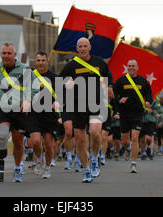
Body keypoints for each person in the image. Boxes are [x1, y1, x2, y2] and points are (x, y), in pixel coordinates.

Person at [59, 37, 114, 183]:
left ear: (90, 47)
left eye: (85, 46)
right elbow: (59, 82)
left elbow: (108, 75)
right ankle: (87, 170)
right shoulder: (71, 65)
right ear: (76, 49)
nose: (83, 48)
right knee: (80, 140)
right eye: (80, 46)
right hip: (78, 105)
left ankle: (95, 158)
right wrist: (65, 84)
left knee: (96, 132)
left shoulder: (99, 63)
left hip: (96, 103)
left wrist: (109, 87)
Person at [0, 42, 38, 183]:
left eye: (9, 53)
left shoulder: (25, 70)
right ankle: (2, 159)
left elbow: (35, 88)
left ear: (15, 55)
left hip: (19, 110)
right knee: (2, 135)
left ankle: (17, 167)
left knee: (18, 141)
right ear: (1, 54)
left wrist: (28, 101)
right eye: (4, 53)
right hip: (2, 108)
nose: (6, 56)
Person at [114, 59, 153, 173]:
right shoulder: (121, 81)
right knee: (125, 141)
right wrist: (119, 99)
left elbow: (149, 95)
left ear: (137, 67)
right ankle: (129, 149)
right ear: (127, 67)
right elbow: (114, 96)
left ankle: (133, 163)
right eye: (129, 66)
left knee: (135, 137)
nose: (131, 67)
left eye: (133, 66)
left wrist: (148, 102)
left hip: (138, 113)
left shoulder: (143, 81)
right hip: (124, 114)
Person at [27, 51, 59, 179]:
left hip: (49, 114)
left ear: (47, 62)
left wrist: (57, 102)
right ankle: (39, 160)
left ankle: (47, 167)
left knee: (48, 144)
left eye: (43, 60)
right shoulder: (29, 76)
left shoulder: (54, 78)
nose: (40, 63)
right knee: (35, 142)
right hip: (33, 113)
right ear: (35, 62)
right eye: (38, 60)